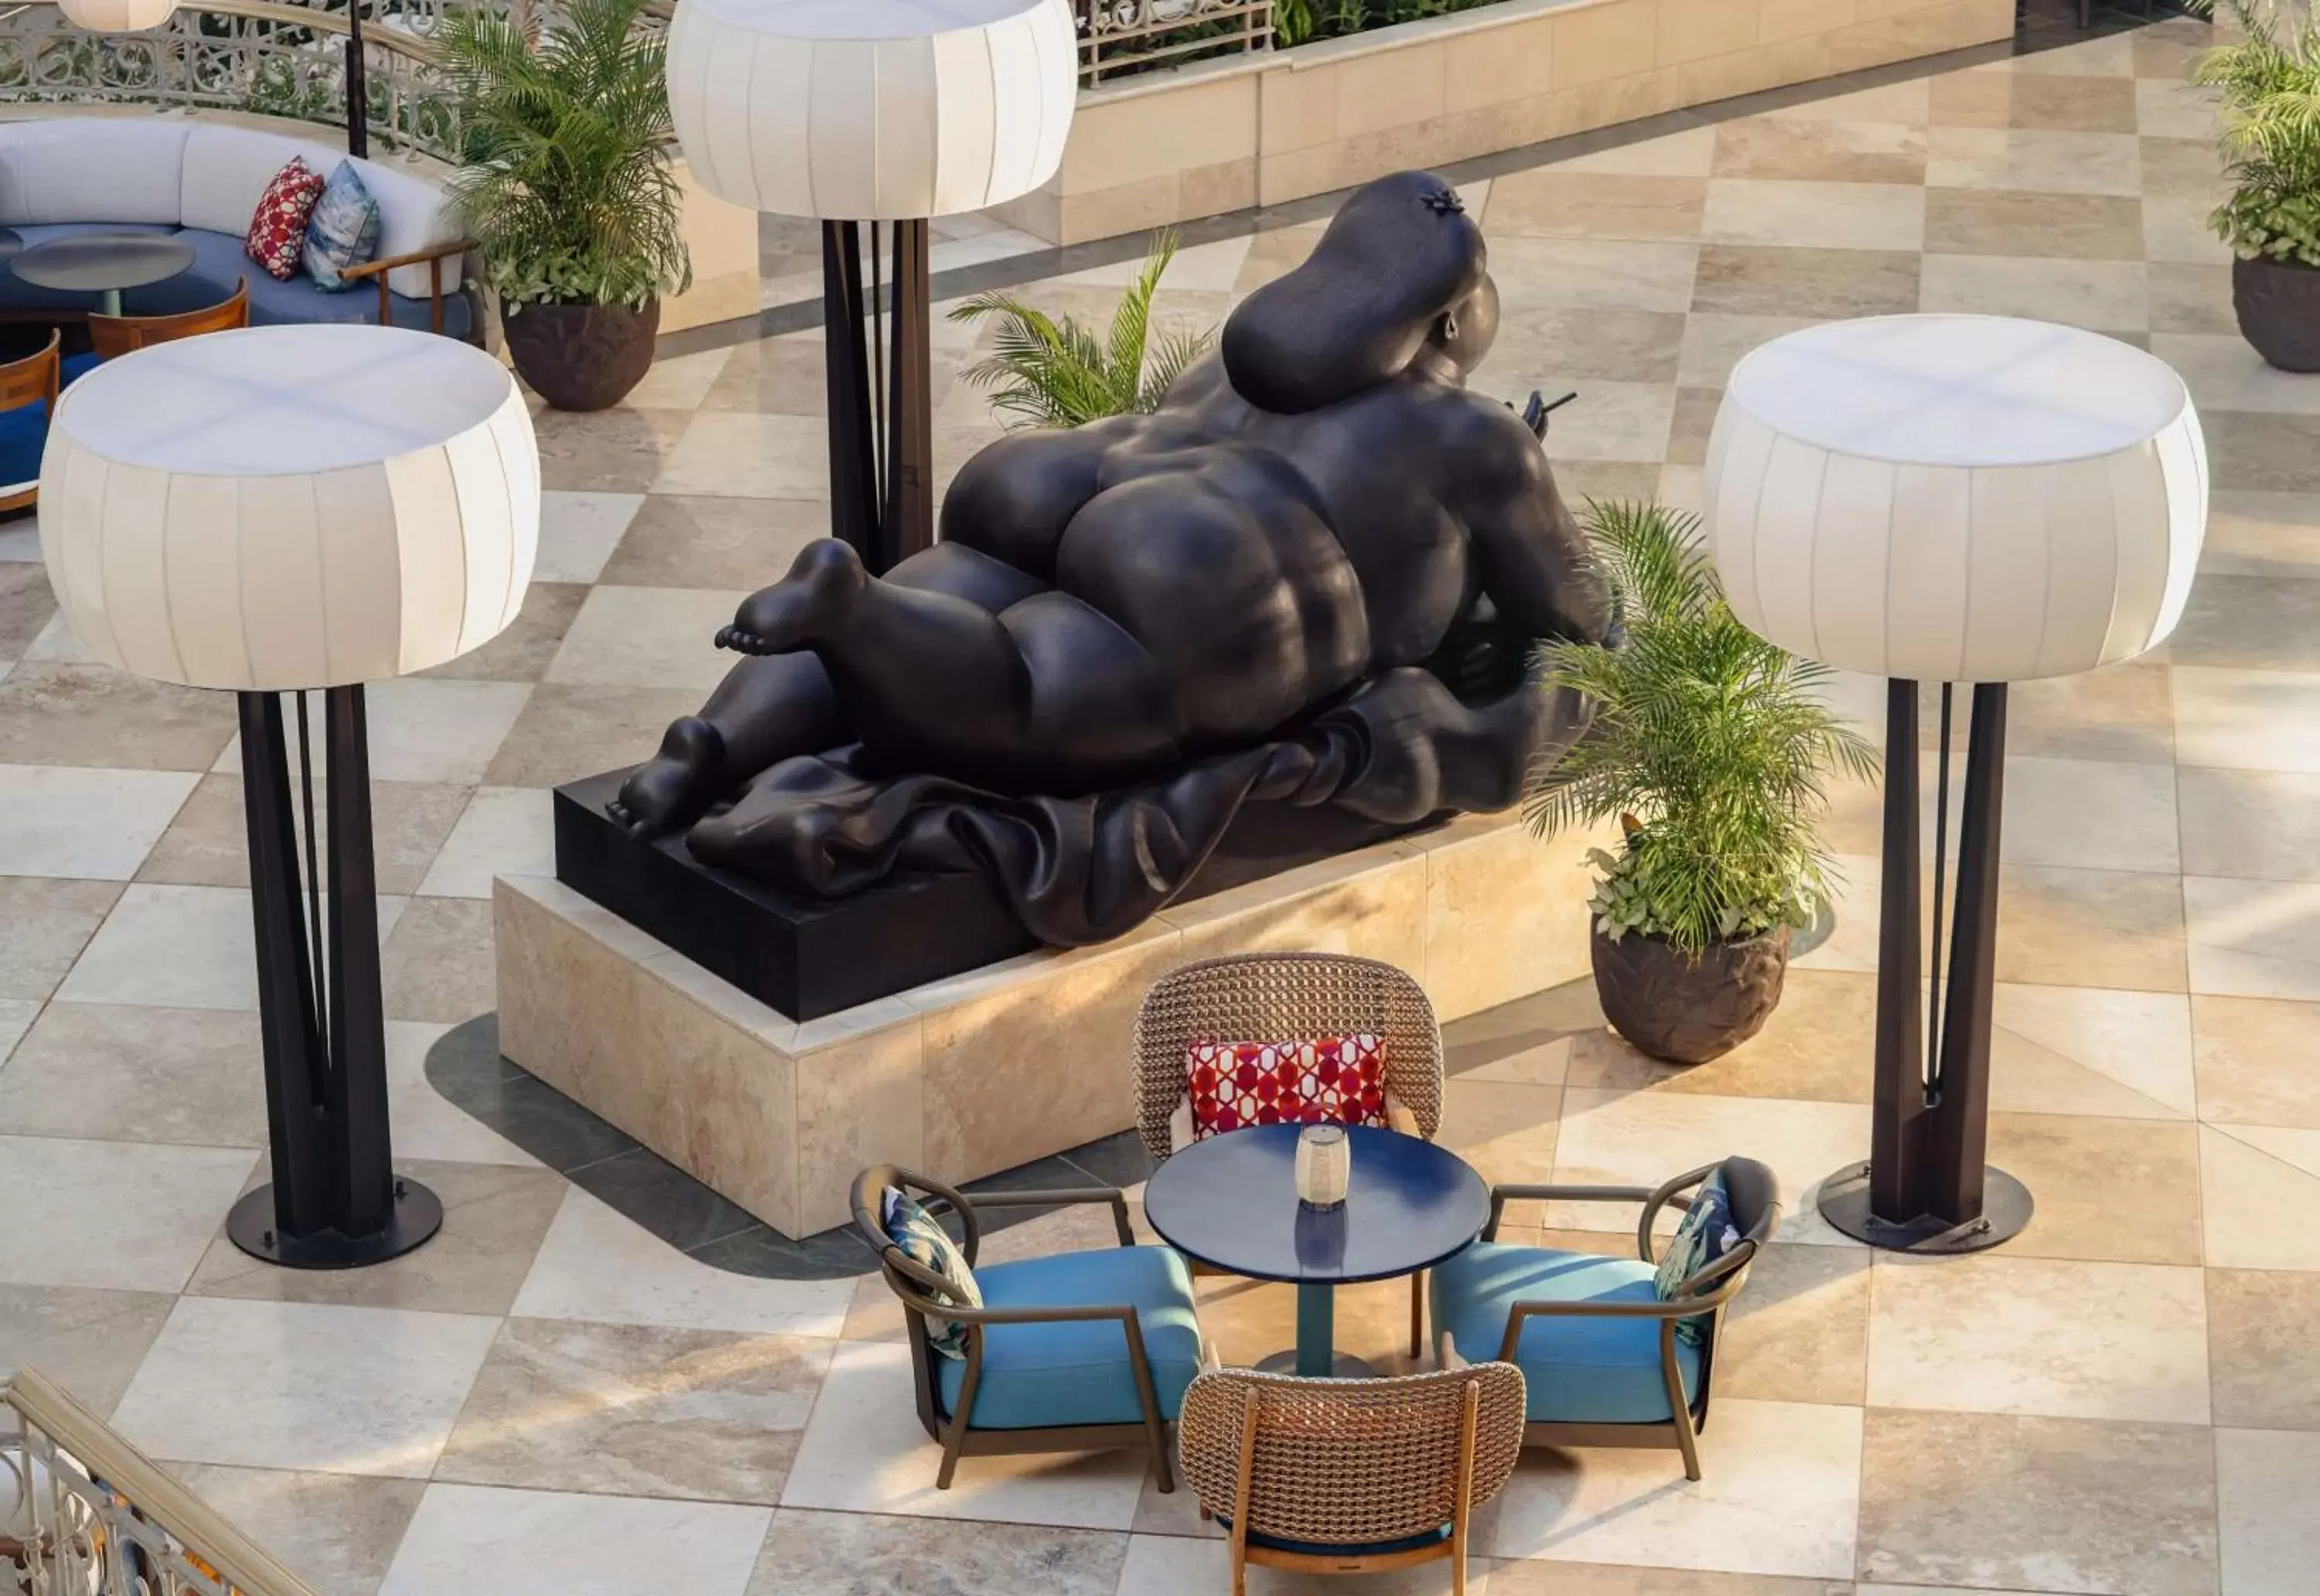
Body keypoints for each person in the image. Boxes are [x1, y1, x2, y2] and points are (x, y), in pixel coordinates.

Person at [609, 169, 1613, 900]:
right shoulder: (1472, 435)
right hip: (1195, 575)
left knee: (958, 591)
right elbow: (1581, 610)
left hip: (1056, 477)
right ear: (1446, 328)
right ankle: (854, 608)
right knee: (1022, 690)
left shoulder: (1237, 363)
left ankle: (705, 747)